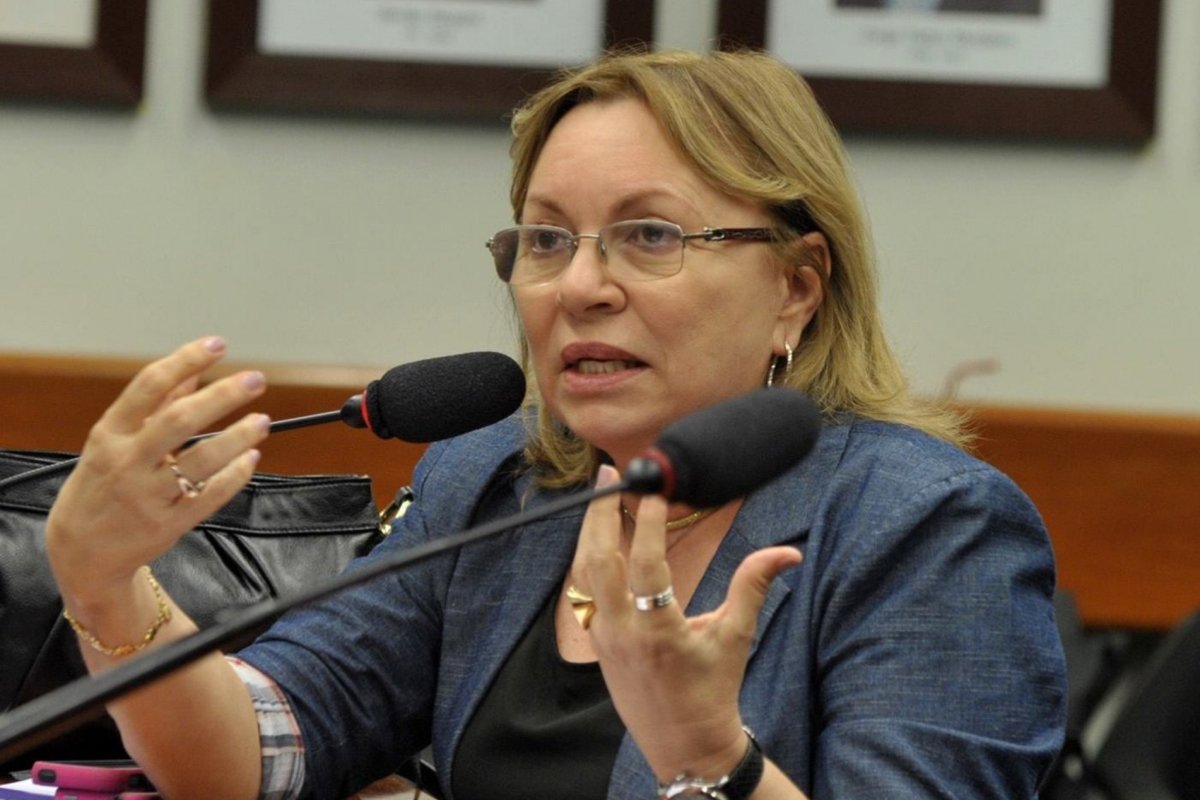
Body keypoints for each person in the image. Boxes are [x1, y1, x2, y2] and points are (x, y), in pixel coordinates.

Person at [44, 49, 1065, 799]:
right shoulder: (495, 482)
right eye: (545, 239)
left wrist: (713, 759)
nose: (579, 286)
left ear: (796, 286)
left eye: (649, 235)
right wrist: (104, 580)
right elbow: (262, 752)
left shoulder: (928, 529)